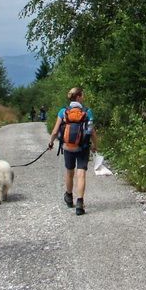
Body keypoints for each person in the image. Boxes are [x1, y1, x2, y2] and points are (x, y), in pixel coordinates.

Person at [48, 87, 97, 215]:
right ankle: (80, 203)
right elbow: (91, 130)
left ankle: (69, 197)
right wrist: (95, 145)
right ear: (79, 97)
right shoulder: (87, 112)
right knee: (81, 174)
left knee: (70, 173)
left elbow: (55, 130)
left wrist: (51, 142)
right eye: (82, 95)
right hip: (83, 146)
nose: (83, 97)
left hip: (68, 147)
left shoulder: (63, 112)